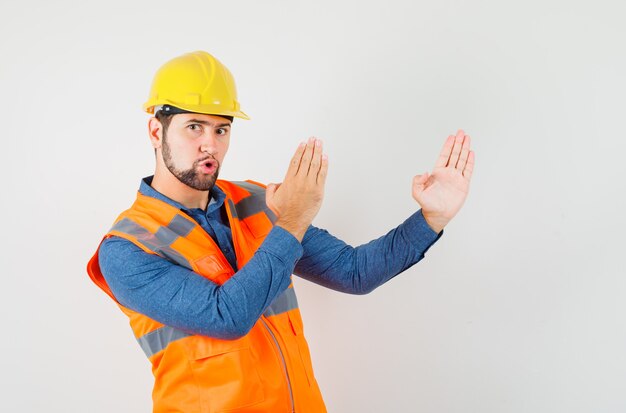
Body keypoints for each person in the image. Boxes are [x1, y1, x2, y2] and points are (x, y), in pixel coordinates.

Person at [87, 50, 475, 413]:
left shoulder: (259, 203)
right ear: (156, 132)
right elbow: (227, 316)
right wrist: (292, 220)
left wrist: (430, 219)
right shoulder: (128, 249)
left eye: (222, 129)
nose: (210, 145)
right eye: (194, 127)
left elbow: (355, 272)